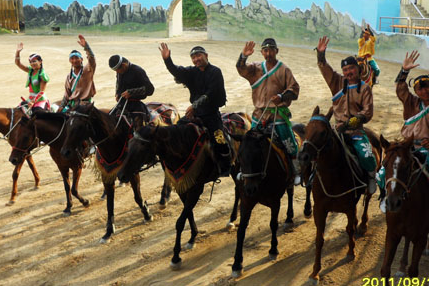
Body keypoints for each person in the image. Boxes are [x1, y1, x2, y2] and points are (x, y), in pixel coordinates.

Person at [377, 50, 429, 219]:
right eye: (420, 88)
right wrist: (404, 70)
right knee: (382, 174)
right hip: (406, 147)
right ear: (416, 91)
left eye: (427, 86)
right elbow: (400, 88)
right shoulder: (411, 101)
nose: (424, 91)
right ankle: (384, 197)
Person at [316, 36, 378, 194]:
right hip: (336, 131)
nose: (348, 72)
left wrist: (349, 124)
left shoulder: (365, 89)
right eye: (345, 70)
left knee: (368, 157)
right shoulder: (336, 82)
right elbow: (324, 67)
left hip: (355, 132)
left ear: (357, 69)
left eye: (351, 68)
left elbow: (367, 113)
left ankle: (371, 179)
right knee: (314, 150)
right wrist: (321, 54)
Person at [159, 43, 231, 177]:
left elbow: (210, 93)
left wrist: (194, 106)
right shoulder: (192, 72)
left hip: (211, 115)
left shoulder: (216, 72)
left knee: (220, 140)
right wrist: (167, 60)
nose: (196, 59)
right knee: (177, 132)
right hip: (195, 114)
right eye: (193, 57)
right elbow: (176, 70)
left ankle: (225, 167)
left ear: (206, 56)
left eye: (198, 55)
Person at [236, 38, 302, 186]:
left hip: (278, 114)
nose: (268, 53)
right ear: (262, 52)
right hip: (259, 114)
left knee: (289, 141)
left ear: (276, 51)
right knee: (249, 142)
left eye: (271, 50)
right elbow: (241, 69)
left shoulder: (284, 69)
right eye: (265, 50)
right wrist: (244, 56)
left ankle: (296, 171)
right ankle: (245, 170)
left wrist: (282, 96)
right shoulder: (255, 68)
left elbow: (294, 90)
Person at [108, 54, 154, 129]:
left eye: (117, 70)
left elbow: (150, 89)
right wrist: (117, 93)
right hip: (122, 104)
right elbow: (118, 83)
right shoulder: (120, 72)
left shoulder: (138, 71)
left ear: (123, 65)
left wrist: (131, 92)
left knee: (138, 130)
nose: (117, 72)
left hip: (135, 105)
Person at [57, 35, 96, 113]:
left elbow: (92, 59)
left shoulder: (88, 69)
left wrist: (86, 47)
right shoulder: (69, 76)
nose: (74, 60)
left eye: (77, 58)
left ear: (81, 59)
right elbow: (67, 94)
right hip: (72, 105)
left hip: (84, 104)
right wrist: (62, 106)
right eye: (72, 58)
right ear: (70, 61)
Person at [15, 42, 50, 113]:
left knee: (37, 117)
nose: (32, 64)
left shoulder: (43, 75)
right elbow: (18, 63)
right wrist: (18, 52)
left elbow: (42, 92)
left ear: (40, 61)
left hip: (40, 100)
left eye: (34, 61)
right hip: (30, 100)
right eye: (30, 62)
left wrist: (33, 101)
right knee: (17, 112)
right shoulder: (30, 70)